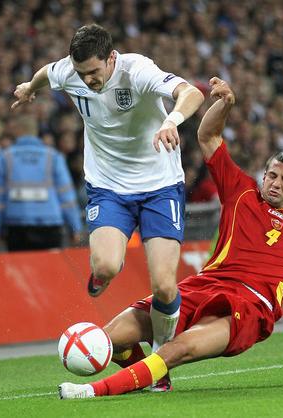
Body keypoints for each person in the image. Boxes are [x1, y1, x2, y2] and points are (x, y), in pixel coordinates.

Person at [58, 78, 283, 399]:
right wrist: (225, 105)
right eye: (272, 175)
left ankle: (92, 392)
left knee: (178, 348)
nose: (275, 183)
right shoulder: (243, 192)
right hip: (203, 286)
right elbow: (207, 136)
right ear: (264, 175)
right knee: (111, 339)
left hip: (250, 307)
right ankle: (154, 378)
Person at [11, 24, 204, 361]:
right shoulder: (70, 70)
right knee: (106, 267)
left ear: (112, 58)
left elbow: (192, 94)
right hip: (108, 187)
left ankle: (160, 359)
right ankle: (130, 353)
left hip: (159, 186)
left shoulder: (138, 71)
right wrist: (30, 87)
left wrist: (171, 120)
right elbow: (48, 72)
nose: (87, 80)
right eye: (82, 73)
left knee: (163, 285)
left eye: (94, 72)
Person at [0, 115, 83, 251]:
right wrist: (75, 227)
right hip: (50, 225)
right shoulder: (53, 157)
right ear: (35, 131)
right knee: (49, 270)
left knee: (19, 270)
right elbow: (66, 197)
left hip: (16, 226)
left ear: (17, 131)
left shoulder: (4, 157)